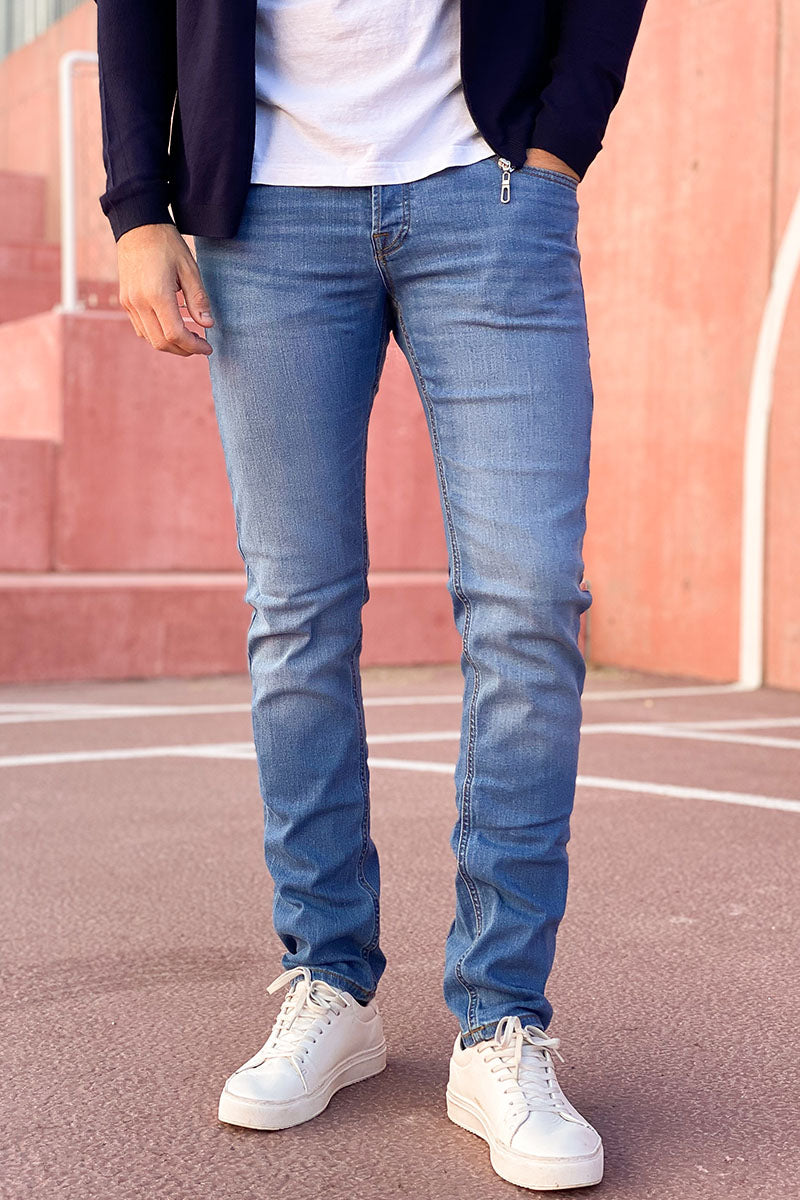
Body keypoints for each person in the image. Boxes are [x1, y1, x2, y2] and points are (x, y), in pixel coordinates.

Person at [95, 0, 647, 1189]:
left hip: (486, 189)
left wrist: (559, 144)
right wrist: (138, 205)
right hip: (262, 214)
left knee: (527, 605)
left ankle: (499, 1020)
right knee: (296, 614)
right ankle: (329, 984)